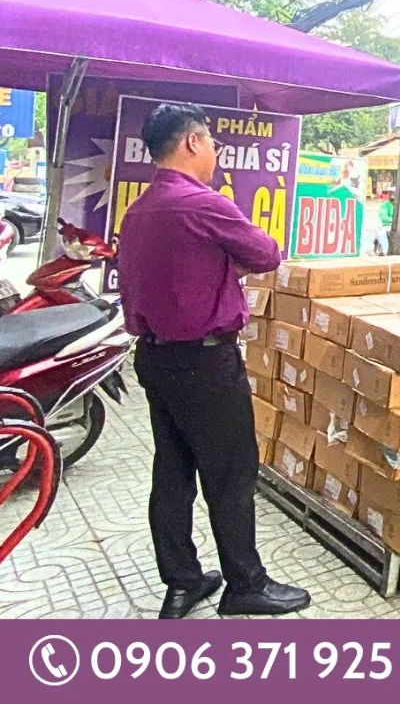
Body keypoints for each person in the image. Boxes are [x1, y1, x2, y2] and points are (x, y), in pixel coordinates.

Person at [117, 104, 312, 620]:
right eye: (213, 143)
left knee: (173, 470)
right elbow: (267, 253)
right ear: (192, 143)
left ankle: (182, 583)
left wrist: (216, 266)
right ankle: (246, 584)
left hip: (155, 357)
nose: (216, 154)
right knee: (230, 474)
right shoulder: (203, 204)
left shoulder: (139, 211)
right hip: (204, 364)